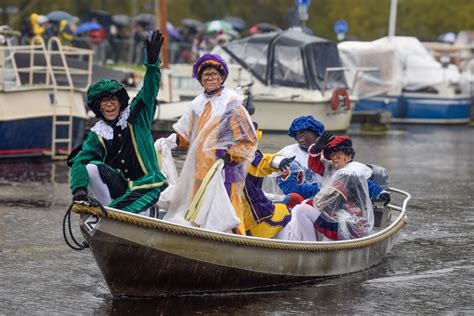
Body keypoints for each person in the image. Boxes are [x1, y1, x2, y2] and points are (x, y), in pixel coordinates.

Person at [68, 30, 168, 215]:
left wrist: (153, 63)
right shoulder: (98, 133)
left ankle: (112, 215)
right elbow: (79, 163)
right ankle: (108, 213)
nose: (109, 105)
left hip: (146, 186)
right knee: (90, 166)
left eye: (112, 100)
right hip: (120, 188)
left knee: (123, 209)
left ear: (120, 102)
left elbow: (150, 89)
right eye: (104, 102)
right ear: (98, 107)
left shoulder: (137, 115)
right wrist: (79, 190)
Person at [164, 53, 257, 235]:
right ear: (200, 80)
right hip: (199, 167)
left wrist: (231, 156)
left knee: (227, 209)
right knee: (196, 208)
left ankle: (236, 239)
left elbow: (247, 139)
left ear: (222, 77)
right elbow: (186, 134)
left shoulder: (232, 103)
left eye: (214, 74)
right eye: (206, 75)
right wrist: (172, 141)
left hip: (222, 169)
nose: (210, 78)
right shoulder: (197, 104)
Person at [289, 136, 390, 241]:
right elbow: (315, 166)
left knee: (300, 209)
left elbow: (367, 185)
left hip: (347, 218)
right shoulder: (331, 168)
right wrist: (315, 151)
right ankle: (308, 243)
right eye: (332, 155)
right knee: (302, 206)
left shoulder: (352, 172)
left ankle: (311, 245)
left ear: (349, 156)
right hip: (331, 212)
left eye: (338, 155)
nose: (334, 158)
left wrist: (380, 193)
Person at [241, 124, 302, 239]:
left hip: (242, 204)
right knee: (284, 212)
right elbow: (260, 161)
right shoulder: (241, 155)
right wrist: (277, 161)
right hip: (247, 210)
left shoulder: (242, 154)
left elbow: (260, 161)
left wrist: (277, 161)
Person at [276, 116, 329, 199]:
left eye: (305, 132)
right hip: (295, 201)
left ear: (315, 133)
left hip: (323, 199)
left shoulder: (326, 152)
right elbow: (289, 188)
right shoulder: (290, 153)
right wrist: (319, 191)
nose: (300, 136)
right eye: (297, 133)